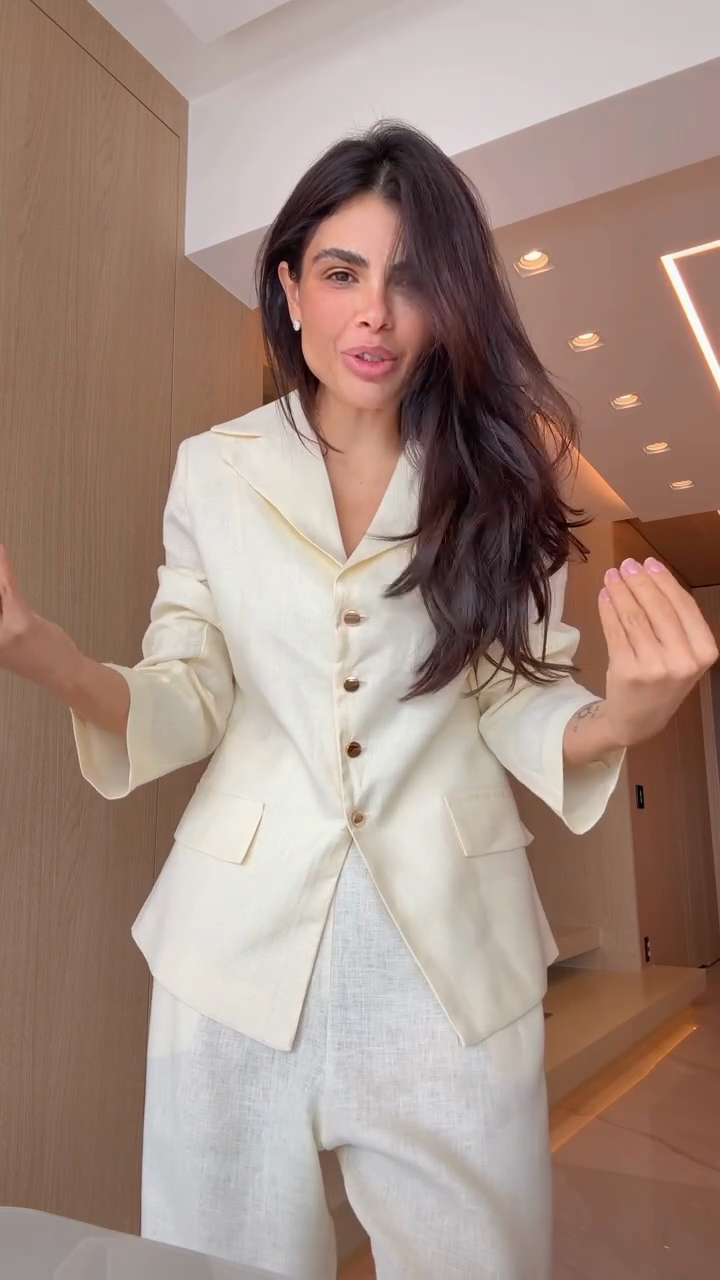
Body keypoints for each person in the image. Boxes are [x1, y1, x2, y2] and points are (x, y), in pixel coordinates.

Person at [0, 122, 716, 1280]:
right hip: (230, 953)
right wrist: (45, 655)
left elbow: (516, 698)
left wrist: (624, 716)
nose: (374, 312)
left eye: (411, 278)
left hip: (452, 960)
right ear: (290, 289)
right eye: (342, 272)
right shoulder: (213, 467)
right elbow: (189, 690)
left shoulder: (501, 480)